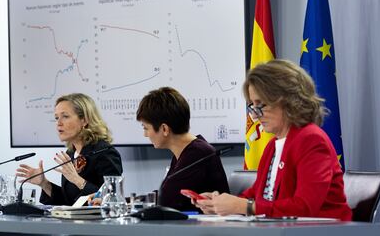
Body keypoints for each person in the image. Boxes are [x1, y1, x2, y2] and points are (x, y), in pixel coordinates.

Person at [194, 59, 352, 220]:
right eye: (252, 106)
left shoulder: (311, 140)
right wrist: (220, 204)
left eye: (261, 105)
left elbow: (304, 207)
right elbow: (257, 195)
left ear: (288, 100)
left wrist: (242, 206)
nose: (254, 115)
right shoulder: (273, 145)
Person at [16, 93, 123, 206]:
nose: (58, 123)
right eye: (56, 118)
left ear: (84, 120)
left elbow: (112, 199)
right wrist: (44, 183)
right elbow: (69, 202)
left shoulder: (105, 152)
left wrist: (77, 180)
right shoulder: (71, 153)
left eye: (65, 116)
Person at [136, 87, 229, 212]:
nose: (145, 135)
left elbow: (168, 200)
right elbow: (166, 195)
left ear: (164, 129)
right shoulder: (185, 151)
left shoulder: (198, 153)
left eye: (146, 128)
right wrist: (130, 201)